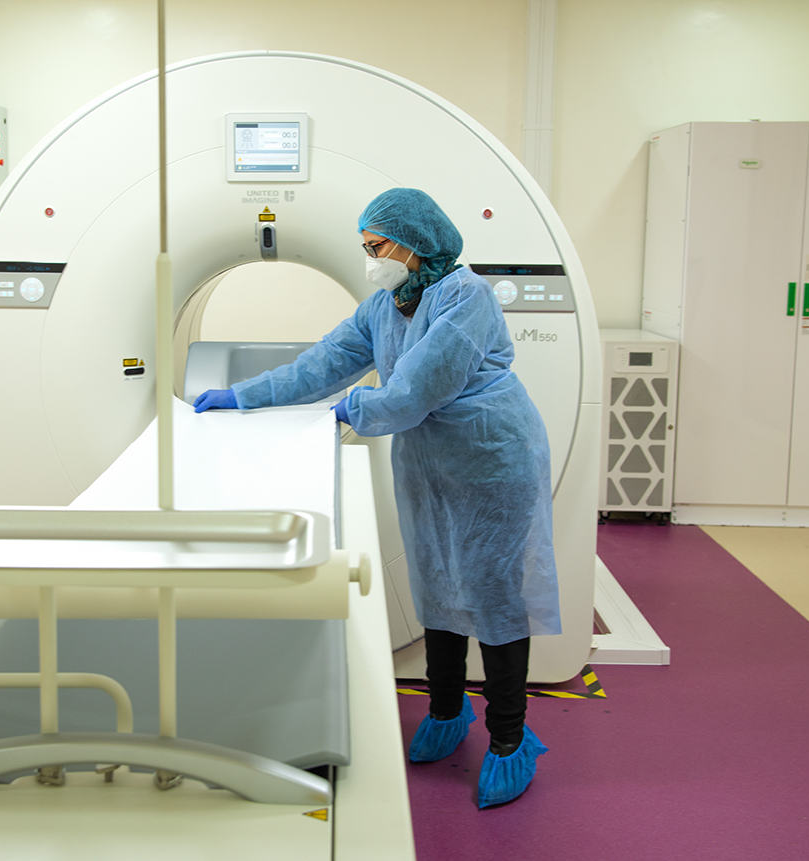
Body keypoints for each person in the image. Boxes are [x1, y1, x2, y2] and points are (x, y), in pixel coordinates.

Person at [193, 188, 560, 808]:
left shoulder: (466, 296)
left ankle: (509, 737)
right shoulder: (385, 307)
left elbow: (416, 390)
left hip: (491, 457)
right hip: (428, 460)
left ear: (417, 244)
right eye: (364, 248)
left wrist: (352, 407)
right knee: (438, 584)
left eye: (378, 247)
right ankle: (447, 712)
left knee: (493, 595)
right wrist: (243, 396)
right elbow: (323, 363)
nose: (371, 260)